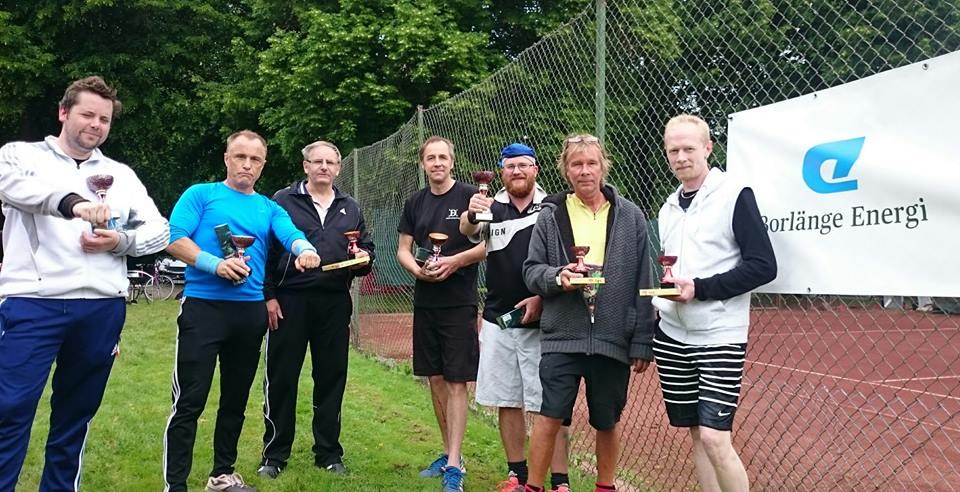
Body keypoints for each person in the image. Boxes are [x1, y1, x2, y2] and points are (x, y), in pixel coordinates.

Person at [0, 75, 169, 491]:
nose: (96, 124)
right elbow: (17, 189)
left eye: (104, 119)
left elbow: (158, 229)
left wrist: (121, 241)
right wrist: (73, 204)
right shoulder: (21, 155)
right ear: (63, 112)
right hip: (32, 301)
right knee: (9, 407)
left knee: (75, 414)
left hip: (100, 308)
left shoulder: (120, 174)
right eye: (87, 114)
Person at [162, 130, 321, 492]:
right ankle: (175, 485)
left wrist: (306, 250)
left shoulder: (268, 207)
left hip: (249, 314)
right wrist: (215, 264)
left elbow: (291, 233)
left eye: (255, 159)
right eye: (240, 157)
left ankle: (222, 475)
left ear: (263, 165)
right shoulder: (201, 195)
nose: (247, 165)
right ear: (226, 158)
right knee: (189, 401)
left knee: (235, 401)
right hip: (203, 309)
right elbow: (173, 238)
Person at [521, 134, 655, 492]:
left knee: (607, 421)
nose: (584, 171)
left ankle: (605, 487)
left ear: (603, 166)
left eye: (591, 163)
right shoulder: (550, 215)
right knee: (550, 416)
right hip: (562, 336)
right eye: (576, 164)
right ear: (566, 170)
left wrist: (642, 338)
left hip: (613, 336)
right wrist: (557, 277)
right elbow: (531, 270)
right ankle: (533, 487)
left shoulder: (631, 216)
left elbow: (644, 279)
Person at [653, 114, 777, 492]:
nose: (681, 157)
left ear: (708, 148)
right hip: (672, 335)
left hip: (719, 334)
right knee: (697, 434)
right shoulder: (668, 208)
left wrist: (700, 288)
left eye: (689, 148)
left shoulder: (734, 194)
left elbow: (763, 266)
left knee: (715, 437)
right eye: (673, 150)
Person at [257, 140, 374, 478]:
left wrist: (364, 258)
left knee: (331, 378)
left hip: (334, 303)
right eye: (317, 161)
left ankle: (328, 453)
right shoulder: (283, 201)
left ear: (338, 168)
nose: (324, 167)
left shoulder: (350, 206)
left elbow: (366, 249)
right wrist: (268, 296)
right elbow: (266, 252)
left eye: (330, 162)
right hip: (289, 301)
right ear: (305, 166)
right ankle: (274, 456)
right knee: (281, 378)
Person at [459, 143, 571, 492]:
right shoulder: (490, 207)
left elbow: (565, 262)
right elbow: (466, 230)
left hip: (546, 320)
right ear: (501, 172)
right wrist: (471, 213)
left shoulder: (554, 207)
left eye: (524, 165)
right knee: (508, 401)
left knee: (549, 405)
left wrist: (543, 297)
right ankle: (517, 475)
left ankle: (560, 481)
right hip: (499, 319)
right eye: (510, 166)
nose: (517, 171)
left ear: (536, 169)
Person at [396, 135, 485, 492]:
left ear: (452, 161)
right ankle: (450, 454)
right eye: (430, 158)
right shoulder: (414, 202)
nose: (436, 163)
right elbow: (403, 249)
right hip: (426, 301)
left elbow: (488, 246)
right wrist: (417, 271)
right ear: (423, 163)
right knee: (434, 379)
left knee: (456, 381)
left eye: (442, 157)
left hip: (459, 301)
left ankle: (454, 466)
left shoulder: (470, 197)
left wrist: (454, 262)